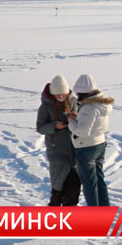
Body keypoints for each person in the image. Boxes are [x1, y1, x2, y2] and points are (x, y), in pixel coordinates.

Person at [67, 74, 114, 206]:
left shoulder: (89, 107)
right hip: (99, 144)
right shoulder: (103, 104)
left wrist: (71, 120)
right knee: (99, 180)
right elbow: (92, 123)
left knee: (89, 184)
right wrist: (79, 118)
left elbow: (81, 132)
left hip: (86, 147)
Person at [36, 75, 81, 206]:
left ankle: (69, 218)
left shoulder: (75, 103)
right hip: (57, 153)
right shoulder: (45, 107)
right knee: (58, 189)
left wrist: (76, 117)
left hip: (75, 152)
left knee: (73, 189)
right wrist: (54, 126)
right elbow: (40, 127)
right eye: (58, 94)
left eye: (63, 94)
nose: (61, 97)